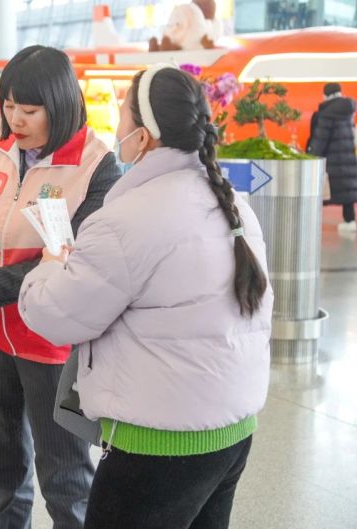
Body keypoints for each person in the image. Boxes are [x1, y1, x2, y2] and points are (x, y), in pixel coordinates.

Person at [18, 64, 274, 529]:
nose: (117, 123)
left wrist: (51, 264)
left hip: (159, 443)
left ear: (145, 134)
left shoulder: (127, 219)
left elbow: (55, 316)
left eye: (123, 110)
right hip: (232, 432)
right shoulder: (234, 204)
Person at [0, 45, 121, 529]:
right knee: (2, 466)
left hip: (51, 341)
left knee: (65, 475)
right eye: (8, 105)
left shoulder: (96, 165)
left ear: (59, 105)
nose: (15, 119)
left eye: (29, 109)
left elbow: (74, 260)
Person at [307, 82, 357, 233]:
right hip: (348, 159)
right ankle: (350, 221)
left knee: (320, 191)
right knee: (347, 192)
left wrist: (311, 155)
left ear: (326, 95)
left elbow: (320, 139)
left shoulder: (326, 113)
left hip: (331, 161)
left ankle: (311, 222)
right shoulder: (348, 111)